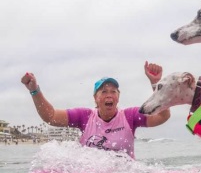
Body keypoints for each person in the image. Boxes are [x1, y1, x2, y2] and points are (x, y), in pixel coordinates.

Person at [20, 61, 170, 158]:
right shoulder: (84, 116)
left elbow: (162, 116)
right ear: (95, 98)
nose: (109, 95)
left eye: (113, 91)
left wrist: (156, 83)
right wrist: (34, 90)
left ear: (118, 96)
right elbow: (50, 116)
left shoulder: (130, 116)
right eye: (103, 92)